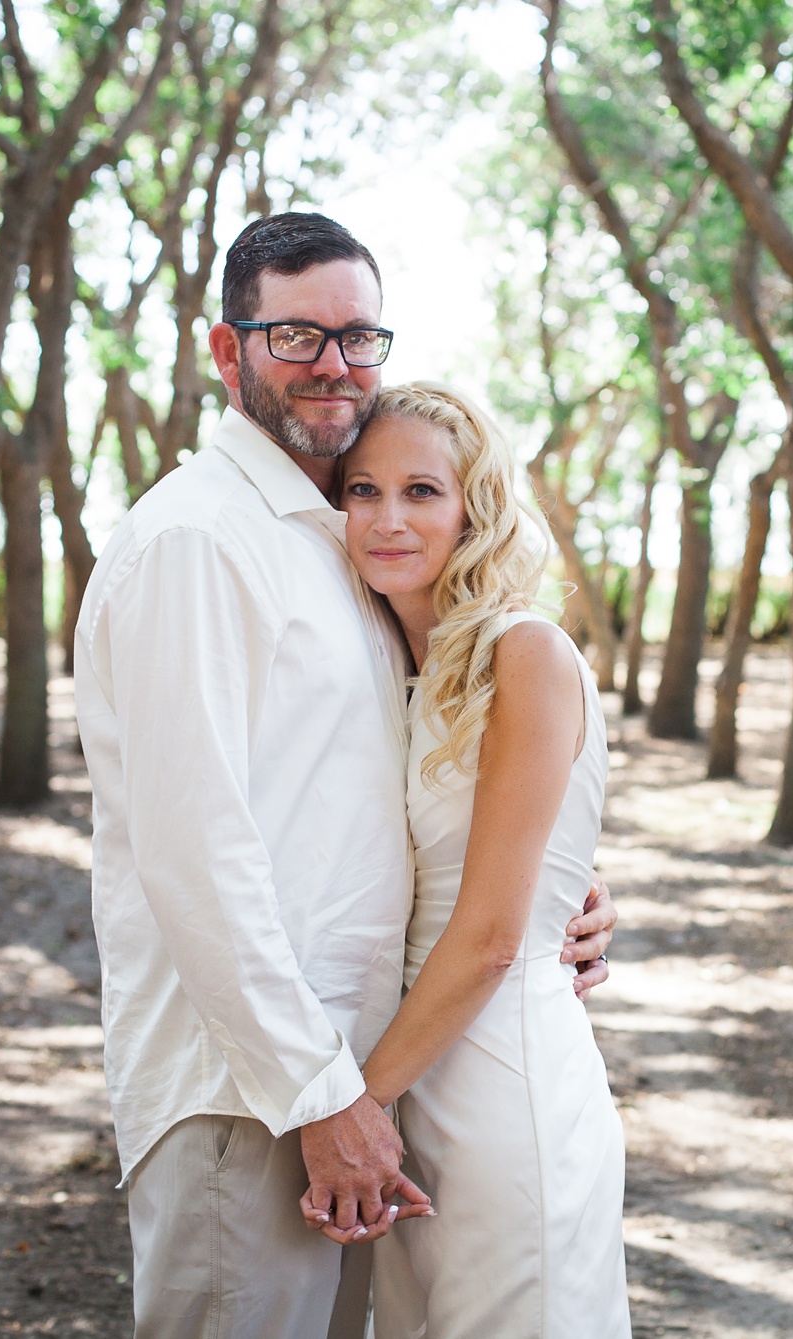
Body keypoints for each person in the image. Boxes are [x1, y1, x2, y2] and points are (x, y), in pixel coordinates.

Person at [73, 212, 616, 1339]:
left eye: (359, 335)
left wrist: (554, 901)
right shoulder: (199, 543)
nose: (334, 363)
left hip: (372, 1085)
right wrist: (329, 1096)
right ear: (228, 353)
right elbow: (196, 853)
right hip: (257, 1092)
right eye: (295, 334)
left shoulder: (330, 550)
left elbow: (399, 802)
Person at [302, 383, 631, 1338]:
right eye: (362, 490)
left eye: (422, 491)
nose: (387, 519)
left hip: (499, 1085)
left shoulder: (524, 653)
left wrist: (352, 1111)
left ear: (475, 508)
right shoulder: (384, 668)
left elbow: (493, 935)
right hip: (409, 1067)